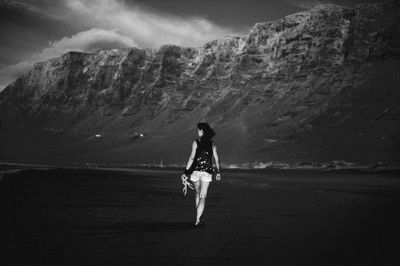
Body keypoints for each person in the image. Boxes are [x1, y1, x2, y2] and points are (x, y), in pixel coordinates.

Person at [183, 122, 221, 226]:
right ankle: (198, 219)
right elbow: (216, 160)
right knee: (203, 197)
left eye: (198, 130)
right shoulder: (212, 144)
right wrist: (218, 172)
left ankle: (198, 215)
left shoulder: (195, 142)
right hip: (206, 173)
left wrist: (186, 172)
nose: (197, 132)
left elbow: (191, 157)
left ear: (202, 131)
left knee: (197, 194)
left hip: (195, 172)